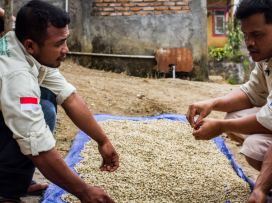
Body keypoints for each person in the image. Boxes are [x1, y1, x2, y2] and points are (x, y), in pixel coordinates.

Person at [0, 1, 119, 203]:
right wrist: (84, 191)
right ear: (30, 45)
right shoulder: (17, 76)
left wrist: (103, 141)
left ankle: (17, 181)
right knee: (43, 111)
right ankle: (5, 191)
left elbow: (69, 97)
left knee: (46, 96)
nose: (66, 49)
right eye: (58, 44)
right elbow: (35, 141)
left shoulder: (20, 45)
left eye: (65, 40)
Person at [186, 1, 272, 202]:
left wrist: (259, 189)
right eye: (245, 35)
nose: (249, 42)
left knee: (252, 146)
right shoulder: (265, 58)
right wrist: (213, 103)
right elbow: (252, 93)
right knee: (236, 118)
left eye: (257, 35)